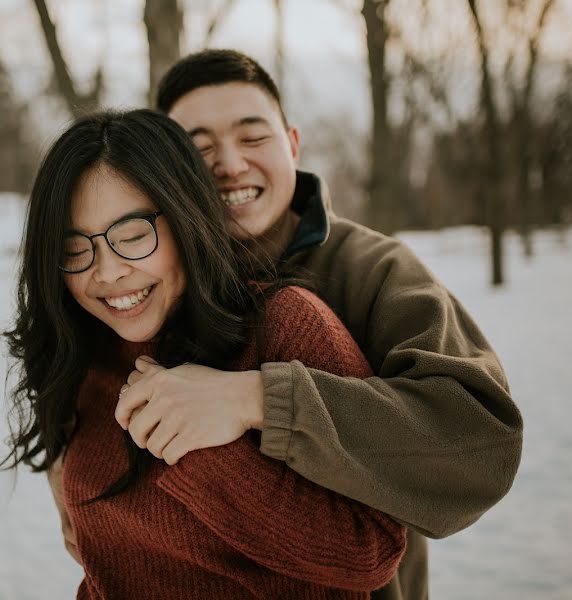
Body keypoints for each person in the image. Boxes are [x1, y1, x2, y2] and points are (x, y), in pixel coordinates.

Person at [96, 50, 522, 600]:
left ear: (292, 145)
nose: (229, 163)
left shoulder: (373, 270)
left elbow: (481, 444)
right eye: (200, 149)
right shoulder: (145, 278)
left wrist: (258, 400)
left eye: (253, 138)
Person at [1, 108, 406, 598]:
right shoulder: (84, 355)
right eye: (74, 250)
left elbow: (372, 552)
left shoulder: (285, 325)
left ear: (186, 216)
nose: (106, 273)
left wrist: (200, 448)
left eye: (132, 236)